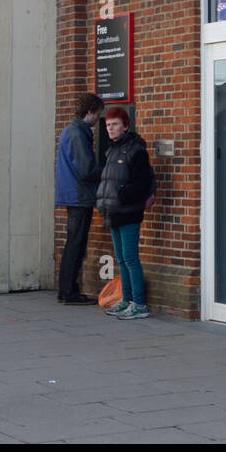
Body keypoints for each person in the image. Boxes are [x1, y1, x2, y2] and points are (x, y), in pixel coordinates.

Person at [96, 106, 156, 318]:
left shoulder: (136, 150)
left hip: (128, 212)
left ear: (126, 126)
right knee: (121, 259)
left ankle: (139, 304)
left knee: (131, 258)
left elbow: (141, 182)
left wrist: (122, 196)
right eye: (108, 125)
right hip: (113, 212)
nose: (110, 129)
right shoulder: (111, 150)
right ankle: (126, 299)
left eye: (114, 125)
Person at [54, 93, 103, 304]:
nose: (98, 119)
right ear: (90, 111)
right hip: (79, 196)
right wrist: (108, 169)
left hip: (72, 194)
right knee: (76, 244)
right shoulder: (77, 133)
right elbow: (87, 169)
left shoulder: (70, 130)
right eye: (98, 114)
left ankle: (67, 290)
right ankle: (69, 292)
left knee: (73, 243)